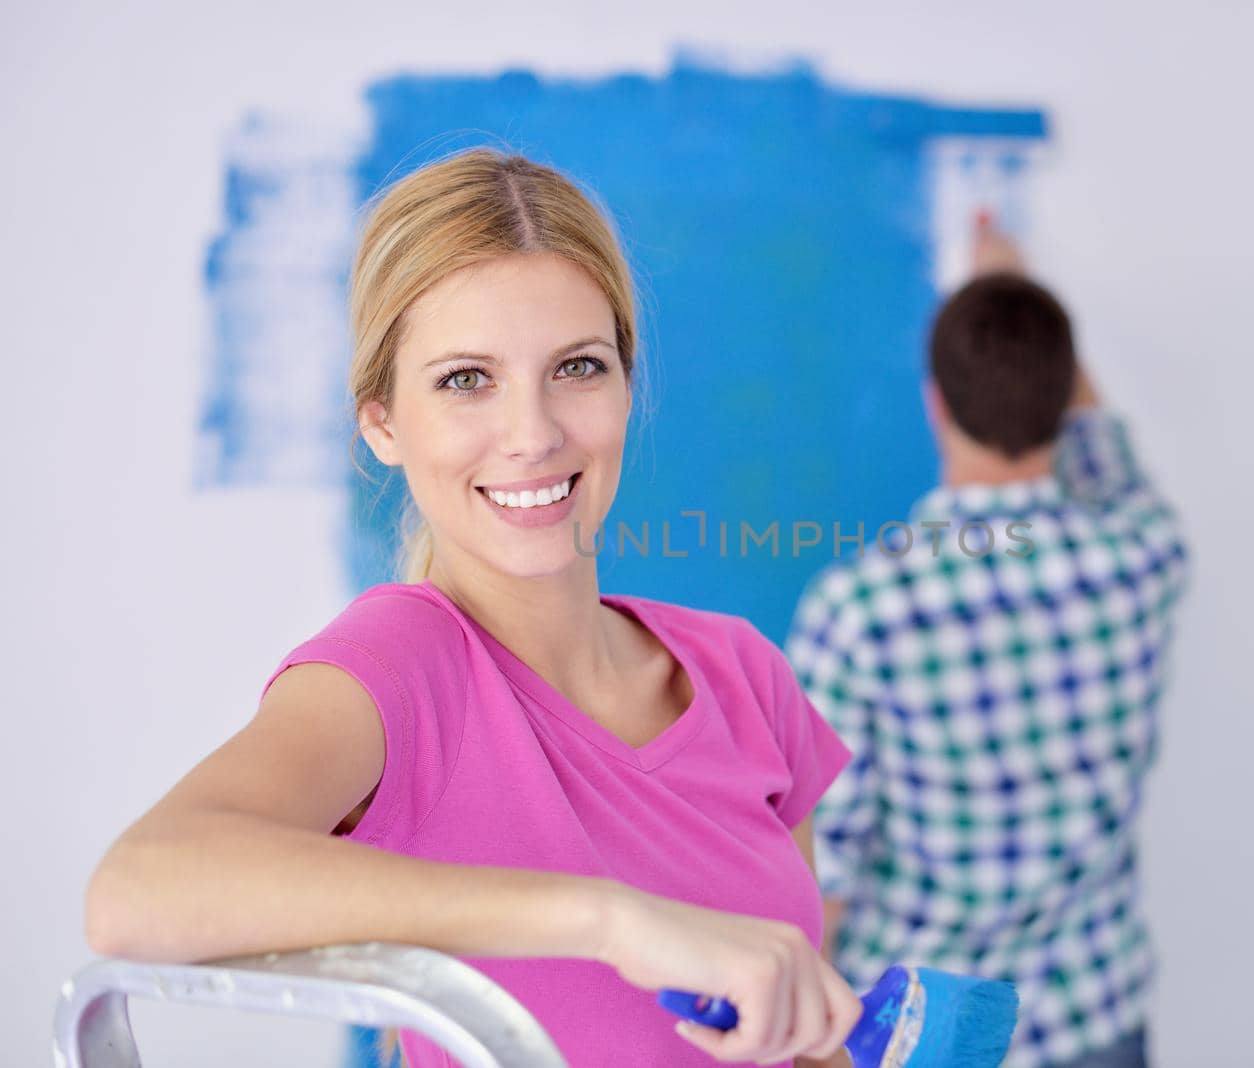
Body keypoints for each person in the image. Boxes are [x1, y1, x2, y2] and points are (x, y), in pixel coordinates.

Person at [84, 147, 863, 1068]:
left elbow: (799, 1037)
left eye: (577, 367)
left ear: (625, 383)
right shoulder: (402, 667)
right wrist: (608, 921)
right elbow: (136, 891)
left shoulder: (742, 674)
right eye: (465, 379)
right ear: (381, 422)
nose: (533, 435)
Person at [787, 218, 1190, 1068]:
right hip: (1096, 1017)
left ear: (934, 401)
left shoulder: (863, 610)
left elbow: (822, 868)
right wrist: (1025, 301)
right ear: (1063, 400)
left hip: (932, 1035)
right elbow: (1104, 447)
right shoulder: (1144, 556)